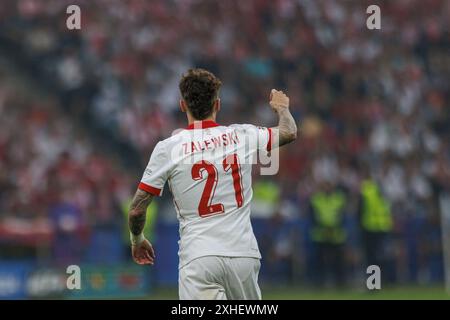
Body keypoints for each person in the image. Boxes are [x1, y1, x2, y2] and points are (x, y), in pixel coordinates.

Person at [127, 68, 297, 300]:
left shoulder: (168, 148)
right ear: (217, 104)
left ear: (182, 105)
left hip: (199, 256)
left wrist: (137, 239)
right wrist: (282, 109)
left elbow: (137, 209)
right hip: (242, 255)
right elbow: (289, 132)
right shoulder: (242, 135)